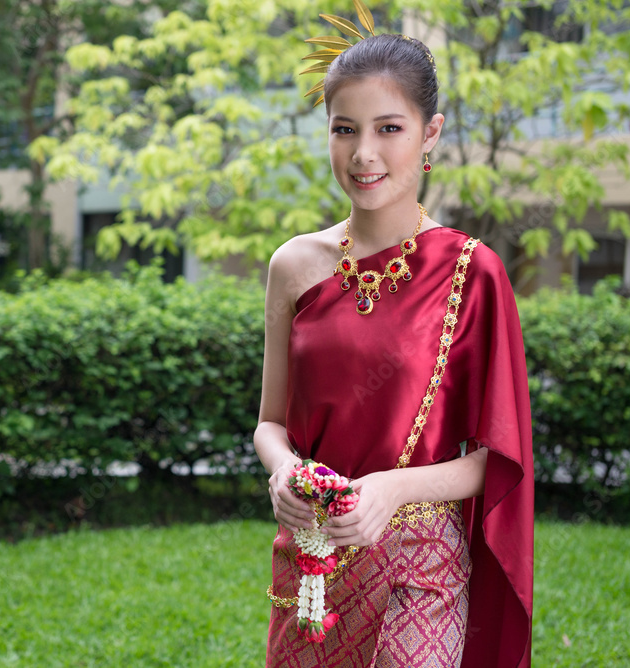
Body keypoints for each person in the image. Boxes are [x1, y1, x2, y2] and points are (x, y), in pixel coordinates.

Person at [254, 22, 534, 668]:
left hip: (421, 562)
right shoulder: (293, 265)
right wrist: (283, 471)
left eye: (389, 128)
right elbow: (271, 423)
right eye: (344, 129)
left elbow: (497, 459)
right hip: (314, 554)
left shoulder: (472, 270)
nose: (363, 155)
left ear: (429, 133)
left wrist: (392, 491)